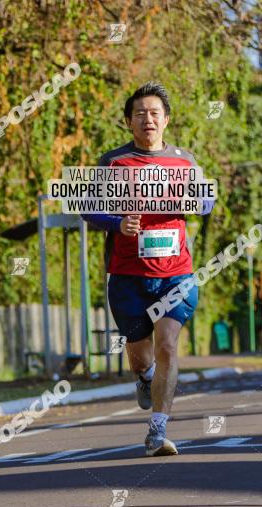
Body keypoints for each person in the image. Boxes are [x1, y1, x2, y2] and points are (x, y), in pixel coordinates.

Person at [82, 82, 214, 457]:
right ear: (128, 122)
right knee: (140, 353)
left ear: (166, 120)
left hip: (177, 273)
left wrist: (193, 200)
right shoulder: (113, 162)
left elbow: (206, 200)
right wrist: (115, 223)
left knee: (168, 344)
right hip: (127, 275)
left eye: (154, 113)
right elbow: (88, 209)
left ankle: (158, 431)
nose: (148, 119)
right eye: (140, 113)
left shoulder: (184, 161)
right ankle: (145, 376)